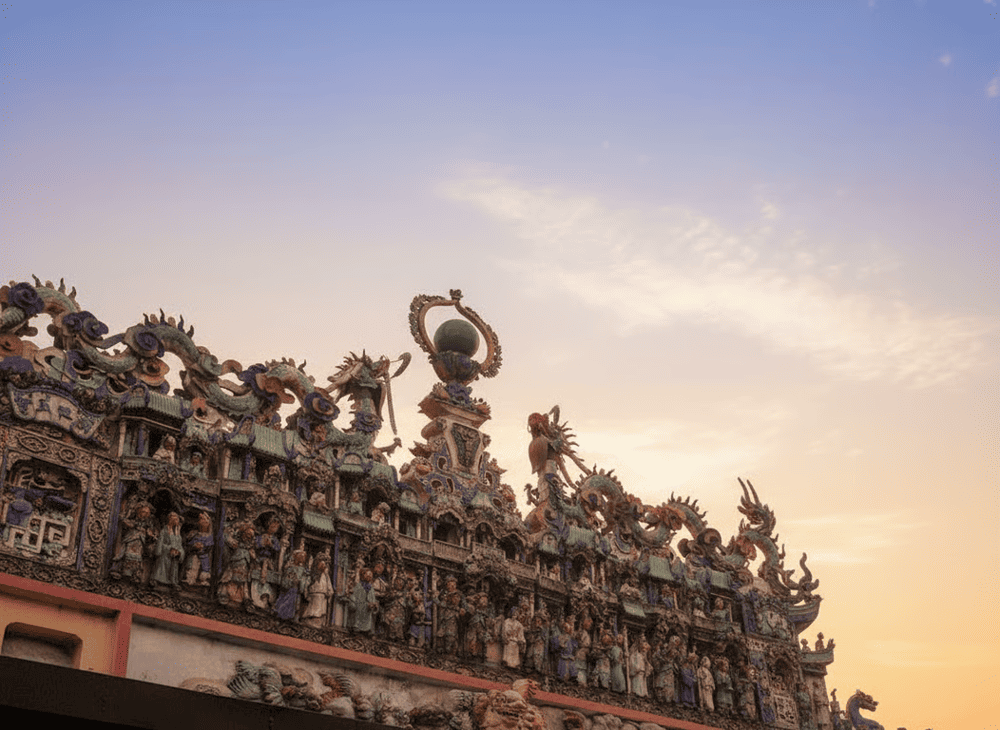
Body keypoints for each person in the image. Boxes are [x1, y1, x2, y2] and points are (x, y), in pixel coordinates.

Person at [274, 547, 310, 620]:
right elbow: (285, 578)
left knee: (294, 604)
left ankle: (291, 617)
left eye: (304, 557)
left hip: (296, 590)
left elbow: (304, 579)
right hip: (288, 589)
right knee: (284, 602)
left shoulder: (303, 570)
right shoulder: (290, 567)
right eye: (302, 556)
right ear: (297, 557)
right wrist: (291, 581)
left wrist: (300, 582)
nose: (303, 558)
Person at [151, 512, 184, 588]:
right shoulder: (164, 531)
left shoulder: (178, 534)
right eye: (175, 520)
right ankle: (156, 580)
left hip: (174, 556)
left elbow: (180, 546)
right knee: (162, 565)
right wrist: (169, 549)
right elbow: (160, 544)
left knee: (174, 568)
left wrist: (179, 552)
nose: (177, 522)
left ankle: (173, 582)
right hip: (165, 555)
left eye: (177, 520)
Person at [183, 511, 214, 587]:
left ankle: (203, 581)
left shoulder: (209, 536)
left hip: (204, 556)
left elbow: (209, 546)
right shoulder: (194, 533)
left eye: (204, 522)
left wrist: (202, 547)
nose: (202, 523)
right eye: (201, 521)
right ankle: (189, 579)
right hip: (193, 555)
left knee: (204, 567)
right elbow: (186, 543)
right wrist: (194, 546)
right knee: (192, 565)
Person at [301, 553, 333, 627]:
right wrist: (306, 594)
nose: (323, 567)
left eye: (324, 565)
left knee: (320, 613)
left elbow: (329, 586)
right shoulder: (312, 574)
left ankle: (317, 625)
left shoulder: (326, 576)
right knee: (313, 612)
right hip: (314, 596)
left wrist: (329, 592)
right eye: (321, 564)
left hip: (323, 596)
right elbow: (306, 585)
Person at [348, 568, 378, 634]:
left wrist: (374, 605)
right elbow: (353, 598)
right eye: (367, 575)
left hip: (367, 614)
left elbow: (373, 599)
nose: (369, 577)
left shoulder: (371, 589)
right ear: (362, 576)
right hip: (359, 611)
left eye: (370, 575)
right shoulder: (358, 586)